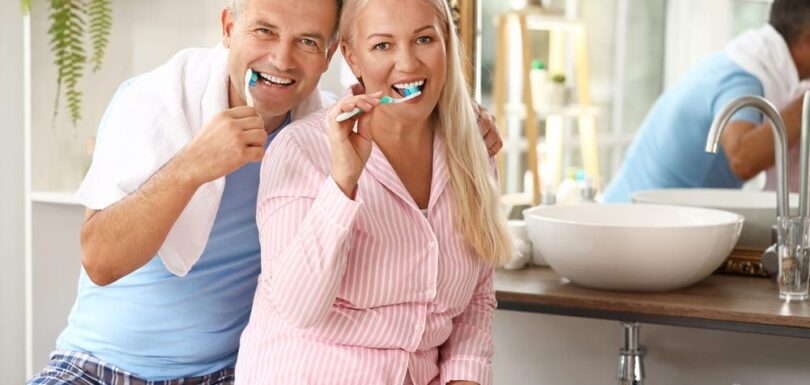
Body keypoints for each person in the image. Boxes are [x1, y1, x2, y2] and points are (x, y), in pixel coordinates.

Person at [27, 0, 502, 383]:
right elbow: (100, 259)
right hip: (101, 365)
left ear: (332, 54)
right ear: (228, 26)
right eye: (264, 31)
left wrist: (463, 124)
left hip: (226, 371)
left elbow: (400, 98)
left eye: (307, 41)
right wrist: (192, 166)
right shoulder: (152, 101)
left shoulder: (328, 132)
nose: (282, 59)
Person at [234, 0, 512, 384]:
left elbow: (476, 298)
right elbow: (298, 309)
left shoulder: (473, 151)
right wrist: (343, 183)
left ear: (447, 42)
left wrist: (464, 377)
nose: (409, 63)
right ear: (351, 56)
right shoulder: (304, 148)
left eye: (424, 39)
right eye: (383, 45)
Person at [604, 0, 810, 202]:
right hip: (636, 221)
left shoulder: (741, 59)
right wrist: (806, 103)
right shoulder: (742, 78)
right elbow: (742, 159)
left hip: (646, 216)